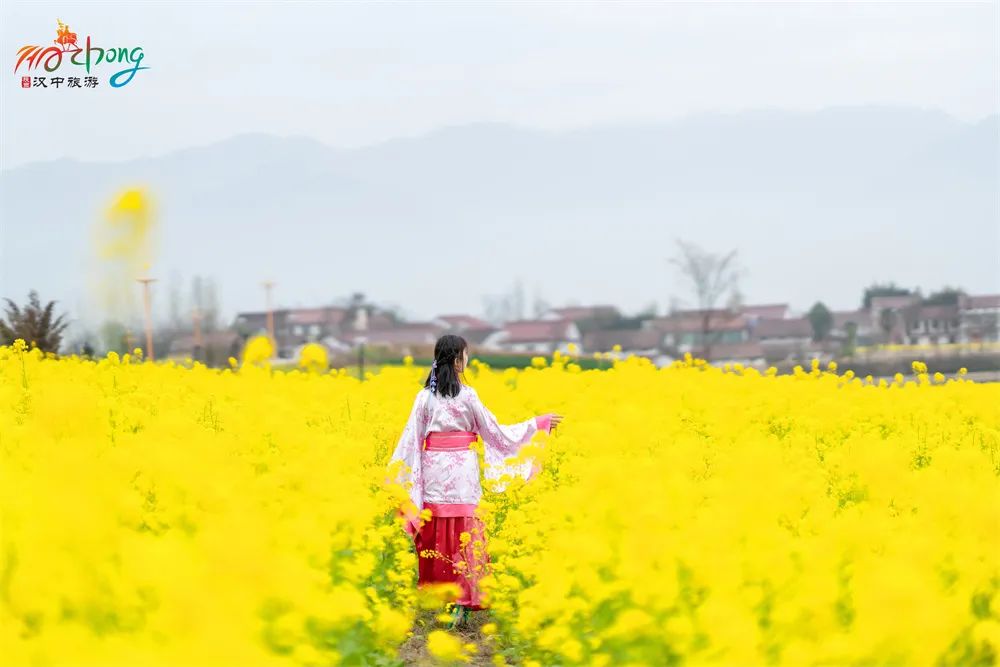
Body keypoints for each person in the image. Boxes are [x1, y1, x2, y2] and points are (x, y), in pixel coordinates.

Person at [387, 334, 563, 627]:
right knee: (465, 532)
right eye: (465, 355)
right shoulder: (469, 395)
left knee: (439, 532)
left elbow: (411, 440)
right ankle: (462, 601)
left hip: (434, 472)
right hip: (463, 474)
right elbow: (495, 433)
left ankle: (442, 597)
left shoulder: (423, 397)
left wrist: (400, 478)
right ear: (458, 360)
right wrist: (537, 424)